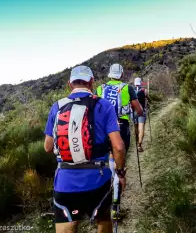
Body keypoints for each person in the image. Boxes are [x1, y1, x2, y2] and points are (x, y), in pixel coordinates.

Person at [43, 65, 127, 233]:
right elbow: (118, 146)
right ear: (92, 82)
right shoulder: (103, 105)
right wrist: (120, 173)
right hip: (98, 180)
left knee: (67, 227)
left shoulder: (56, 107)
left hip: (65, 183)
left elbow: (47, 147)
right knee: (103, 223)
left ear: (70, 84)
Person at [96, 63, 143, 220]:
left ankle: (104, 202)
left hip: (102, 130)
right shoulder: (127, 88)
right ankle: (115, 206)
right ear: (121, 74)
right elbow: (139, 110)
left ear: (109, 74)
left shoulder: (100, 89)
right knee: (118, 165)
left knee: (109, 162)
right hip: (121, 129)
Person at [133, 77, 150, 152]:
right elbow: (148, 99)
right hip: (142, 111)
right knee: (141, 127)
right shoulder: (144, 90)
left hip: (134, 112)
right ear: (140, 83)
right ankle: (139, 145)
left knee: (136, 127)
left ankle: (137, 141)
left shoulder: (131, 90)